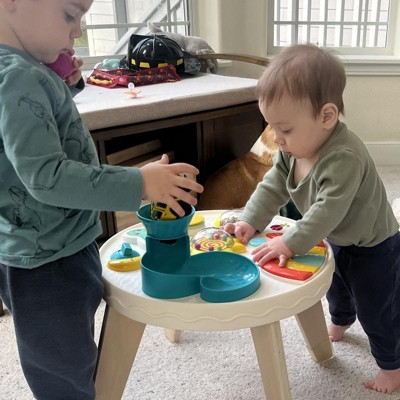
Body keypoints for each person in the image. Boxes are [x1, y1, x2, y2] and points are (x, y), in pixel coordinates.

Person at [0, 1, 203, 399]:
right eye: (69, 15)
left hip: (38, 247)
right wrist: (138, 183)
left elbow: (35, 134)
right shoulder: (18, 77)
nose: (77, 30)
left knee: (66, 356)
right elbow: (48, 176)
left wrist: (61, 82)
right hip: (50, 262)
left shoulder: (19, 71)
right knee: (64, 373)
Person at [224, 43, 400, 394]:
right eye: (272, 127)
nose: (276, 138)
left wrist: (288, 241)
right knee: (335, 286)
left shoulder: (344, 156)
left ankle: (392, 366)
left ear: (326, 117)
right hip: (336, 237)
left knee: (377, 308)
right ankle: (339, 321)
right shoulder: (291, 151)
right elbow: (272, 185)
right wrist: (250, 220)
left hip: (374, 245)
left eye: (285, 129)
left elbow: (326, 210)